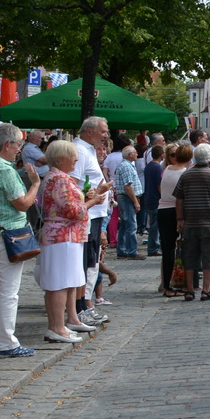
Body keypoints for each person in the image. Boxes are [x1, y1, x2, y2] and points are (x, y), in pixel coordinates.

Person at [0, 123, 42, 358]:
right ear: (8, 144)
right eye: (18, 145)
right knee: (8, 292)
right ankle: (6, 342)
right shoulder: (4, 168)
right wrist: (35, 185)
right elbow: (22, 203)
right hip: (7, 234)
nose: (19, 150)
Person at [37, 139, 96, 343]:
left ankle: (64, 323)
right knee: (60, 283)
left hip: (65, 236)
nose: (76, 159)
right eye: (72, 156)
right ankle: (56, 327)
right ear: (61, 159)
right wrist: (91, 202)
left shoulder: (58, 177)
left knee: (67, 281)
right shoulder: (61, 179)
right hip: (62, 236)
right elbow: (73, 211)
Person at [71, 117, 114, 328]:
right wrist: (97, 193)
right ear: (89, 131)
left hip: (95, 214)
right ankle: (80, 307)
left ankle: (84, 306)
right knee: (85, 263)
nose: (106, 135)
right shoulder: (79, 150)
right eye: (103, 132)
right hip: (87, 215)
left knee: (90, 262)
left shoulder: (87, 149)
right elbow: (73, 186)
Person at [174, 145, 210, 300]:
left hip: (190, 223)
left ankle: (190, 290)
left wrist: (179, 219)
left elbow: (179, 199)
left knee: (189, 257)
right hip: (209, 223)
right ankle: (206, 289)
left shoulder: (186, 175)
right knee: (209, 256)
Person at [156, 143, 192, 296]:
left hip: (162, 210)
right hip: (175, 211)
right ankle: (178, 284)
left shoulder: (167, 169)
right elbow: (182, 197)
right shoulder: (184, 173)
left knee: (167, 250)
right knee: (182, 248)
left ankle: (166, 285)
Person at [110, 145, 143, 260]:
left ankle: (122, 249)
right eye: (135, 152)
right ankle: (131, 251)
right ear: (130, 155)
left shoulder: (126, 165)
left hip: (124, 197)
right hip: (126, 197)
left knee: (125, 224)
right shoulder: (126, 166)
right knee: (131, 224)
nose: (137, 154)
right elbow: (128, 186)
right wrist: (135, 201)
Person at [141, 143, 164, 258]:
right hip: (156, 199)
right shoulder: (158, 167)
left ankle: (153, 246)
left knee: (153, 223)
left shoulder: (148, 166)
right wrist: (163, 196)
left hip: (149, 197)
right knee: (155, 225)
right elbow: (159, 185)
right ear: (161, 155)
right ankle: (153, 247)